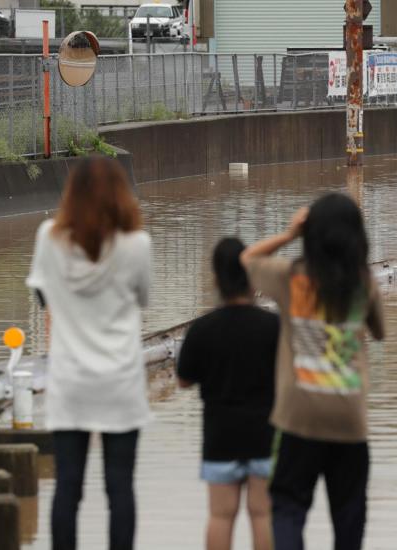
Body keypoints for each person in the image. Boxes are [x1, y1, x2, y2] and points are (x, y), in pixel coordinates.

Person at [240, 193, 385, 550]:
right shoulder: (363, 283)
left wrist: (289, 235)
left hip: (297, 419)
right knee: (349, 517)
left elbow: (246, 260)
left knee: (288, 508)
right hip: (349, 421)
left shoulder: (290, 277)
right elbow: (380, 331)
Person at [26, 156, 151, 550]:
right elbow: (143, 297)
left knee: (68, 487)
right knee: (120, 489)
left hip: (71, 382)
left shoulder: (49, 237)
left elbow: (41, 294)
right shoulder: (137, 244)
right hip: (121, 382)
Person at [177, 237, 279, 550]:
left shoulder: (202, 329)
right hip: (265, 433)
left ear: (217, 278)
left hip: (220, 435)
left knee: (221, 516)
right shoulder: (273, 326)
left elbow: (183, 380)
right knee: (262, 514)